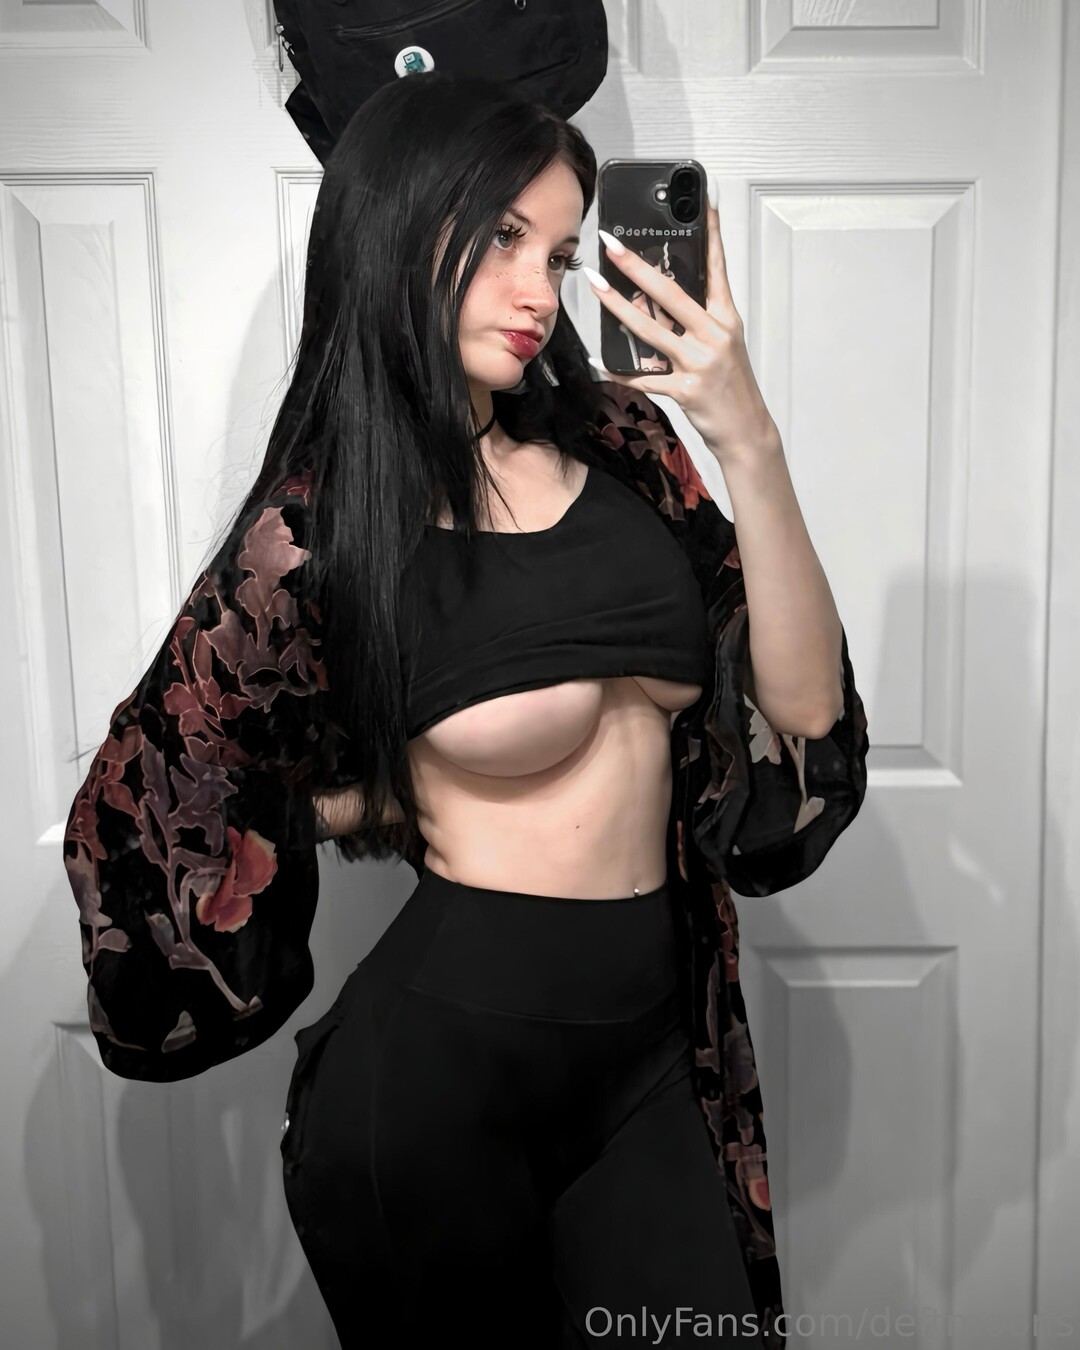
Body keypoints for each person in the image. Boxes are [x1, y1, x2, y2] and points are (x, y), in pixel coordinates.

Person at [63, 72, 869, 1349]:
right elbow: (151, 798)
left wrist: (746, 436)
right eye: (500, 236)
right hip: (436, 1083)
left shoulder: (627, 448)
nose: (538, 290)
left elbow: (803, 718)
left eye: (558, 252)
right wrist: (362, 799)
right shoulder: (324, 526)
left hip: (656, 1051)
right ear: (398, 224)